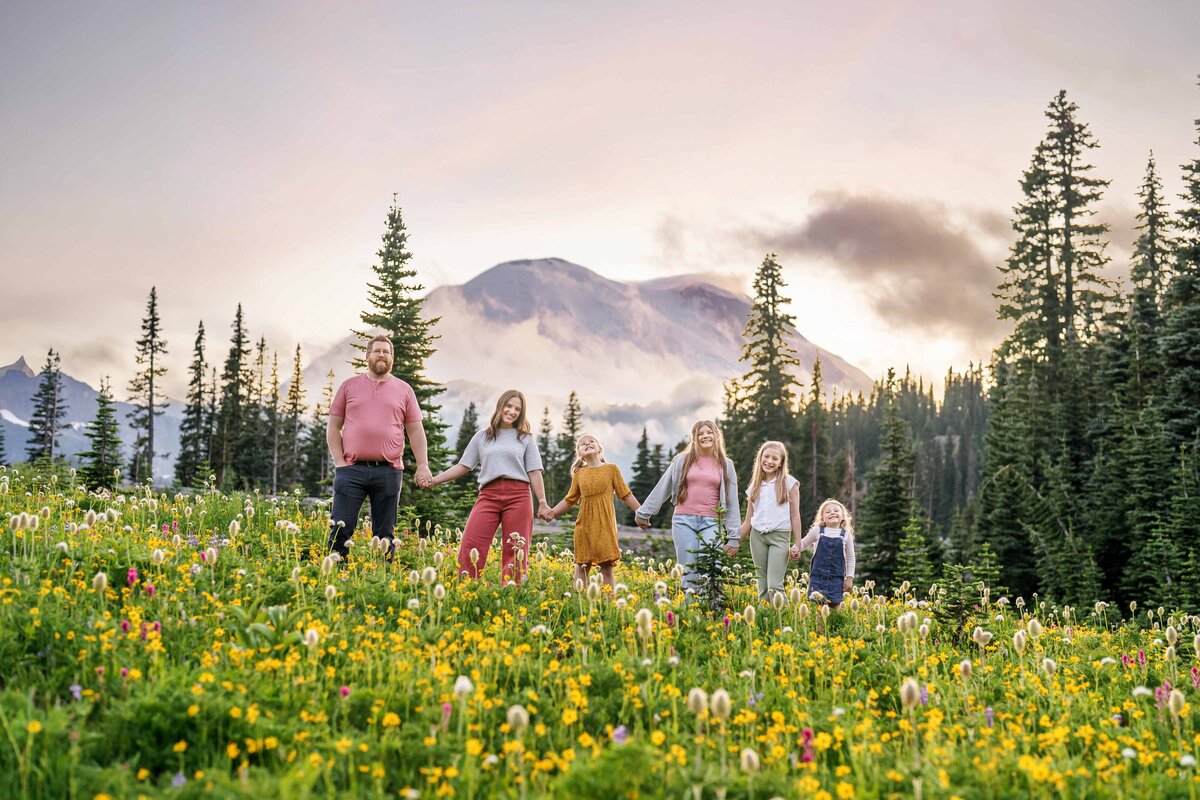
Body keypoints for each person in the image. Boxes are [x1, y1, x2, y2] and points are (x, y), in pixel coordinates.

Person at [326, 335, 431, 559]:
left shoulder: (404, 390)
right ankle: (335, 576)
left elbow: (415, 431)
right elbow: (334, 427)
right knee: (340, 527)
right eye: (377, 351)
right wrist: (340, 463)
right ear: (367, 356)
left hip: (389, 470)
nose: (382, 354)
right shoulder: (349, 386)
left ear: (392, 358)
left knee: (385, 533)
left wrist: (423, 465)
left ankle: (383, 580)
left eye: (386, 351)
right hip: (351, 470)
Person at [429, 389, 550, 584]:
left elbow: (534, 471)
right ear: (500, 406)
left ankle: (512, 592)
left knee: (516, 548)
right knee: (471, 543)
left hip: (519, 496)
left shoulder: (525, 438)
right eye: (509, 406)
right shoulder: (482, 436)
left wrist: (542, 502)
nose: (512, 411)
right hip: (488, 495)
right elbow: (463, 466)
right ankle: (467, 587)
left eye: (517, 409)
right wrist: (434, 480)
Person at [634, 420, 740, 593]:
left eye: (709, 432)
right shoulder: (681, 460)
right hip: (683, 521)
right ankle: (689, 611)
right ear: (694, 438)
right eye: (700, 433)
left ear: (716, 436)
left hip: (712, 522)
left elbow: (732, 501)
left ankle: (710, 610)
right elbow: (663, 487)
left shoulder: (726, 464)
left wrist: (734, 536)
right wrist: (643, 513)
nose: (705, 436)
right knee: (688, 569)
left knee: (711, 567)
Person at [541, 433, 640, 589]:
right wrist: (552, 512)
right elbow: (569, 500)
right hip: (584, 526)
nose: (587, 444)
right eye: (582, 444)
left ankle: (609, 604)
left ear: (599, 448)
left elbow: (625, 495)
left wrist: (641, 512)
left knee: (606, 566)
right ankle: (578, 602)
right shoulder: (580, 474)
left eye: (591, 441)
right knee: (582, 565)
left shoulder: (611, 469)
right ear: (580, 454)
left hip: (605, 526)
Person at [726, 441, 802, 603]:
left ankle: (787, 622)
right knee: (763, 587)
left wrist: (797, 544)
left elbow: (795, 516)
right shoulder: (755, 486)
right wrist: (733, 542)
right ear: (760, 458)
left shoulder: (789, 483)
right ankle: (764, 623)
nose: (769, 461)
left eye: (775, 458)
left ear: (781, 462)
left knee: (774, 586)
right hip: (757, 537)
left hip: (780, 538)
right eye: (766, 456)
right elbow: (748, 521)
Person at [792, 498, 856, 609]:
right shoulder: (818, 531)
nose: (832, 513)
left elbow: (850, 558)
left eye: (836, 510)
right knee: (819, 610)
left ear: (843, 517)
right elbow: (803, 543)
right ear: (822, 518)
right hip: (818, 578)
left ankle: (834, 626)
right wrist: (793, 549)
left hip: (837, 579)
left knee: (835, 607)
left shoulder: (846, 535)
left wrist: (849, 578)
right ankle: (819, 627)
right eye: (828, 511)